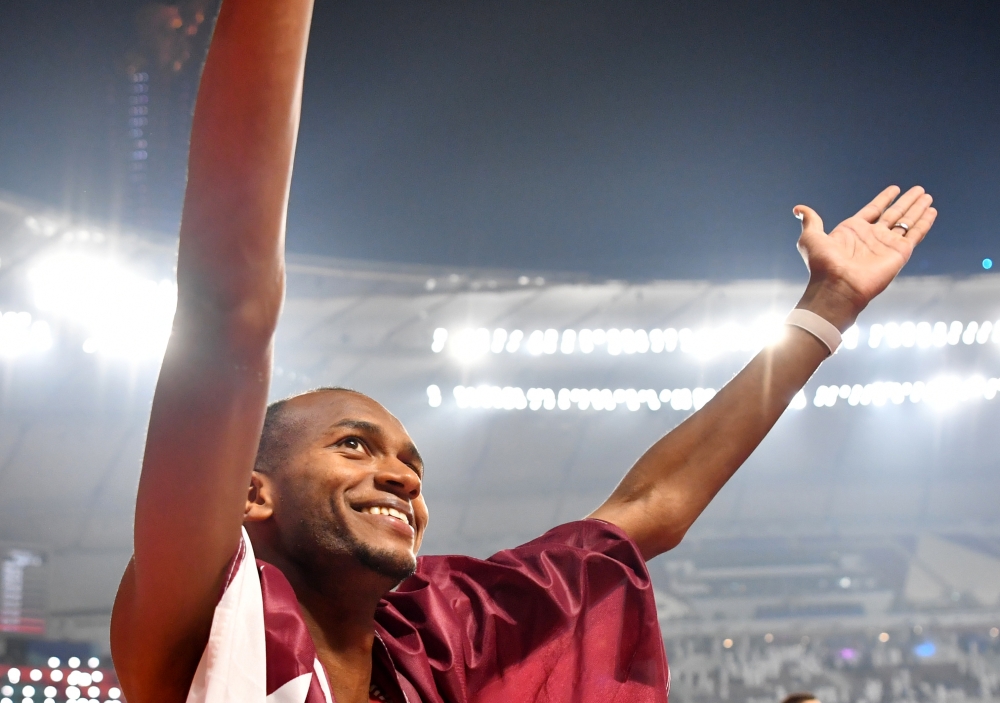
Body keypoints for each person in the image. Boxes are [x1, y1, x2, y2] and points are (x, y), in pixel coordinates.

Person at [108, 1, 938, 702]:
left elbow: (647, 511)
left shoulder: (444, 642)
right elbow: (227, 311)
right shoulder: (205, 612)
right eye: (352, 444)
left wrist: (824, 312)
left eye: (411, 463)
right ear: (251, 494)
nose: (403, 476)